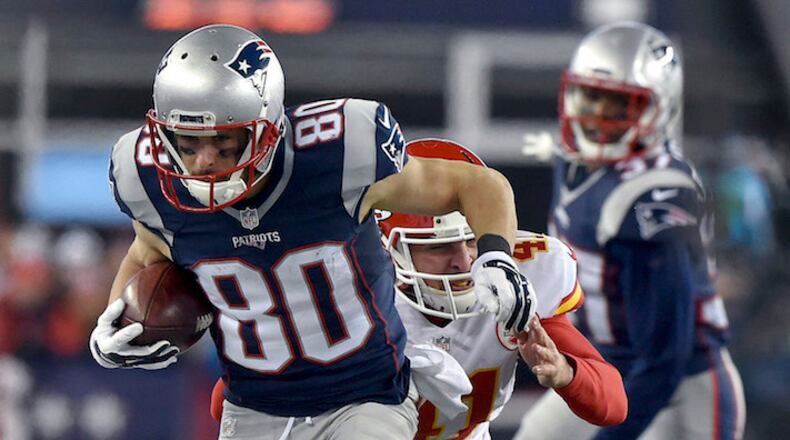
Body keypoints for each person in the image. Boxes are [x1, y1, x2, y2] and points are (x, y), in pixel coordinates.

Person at [88, 24, 535, 440]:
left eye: (224, 143)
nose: (204, 162)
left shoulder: (336, 155)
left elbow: (477, 184)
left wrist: (496, 255)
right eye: (187, 143)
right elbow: (149, 248)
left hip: (367, 396)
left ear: (267, 127)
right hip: (253, 408)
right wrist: (118, 318)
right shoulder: (147, 178)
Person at [515, 22, 746, 440]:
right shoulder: (573, 162)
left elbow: (665, 355)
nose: (598, 119)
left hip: (679, 384)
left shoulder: (653, 198)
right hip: (605, 362)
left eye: (618, 106)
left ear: (659, 110)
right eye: (589, 98)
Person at [379, 139, 627, 439]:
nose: (464, 261)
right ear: (387, 249)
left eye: (472, 240)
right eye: (440, 246)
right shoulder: (351, 296)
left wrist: (564, 371)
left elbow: (613, 404)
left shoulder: (514, 275)